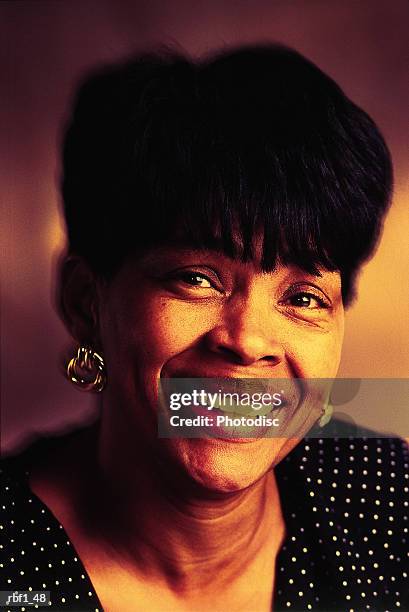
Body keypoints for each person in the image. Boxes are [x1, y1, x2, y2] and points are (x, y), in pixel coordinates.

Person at [1, 44, 408, 612]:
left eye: (303, 297)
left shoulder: (387, 502)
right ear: (86, 303)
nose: (246, 342)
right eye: (197, 279)